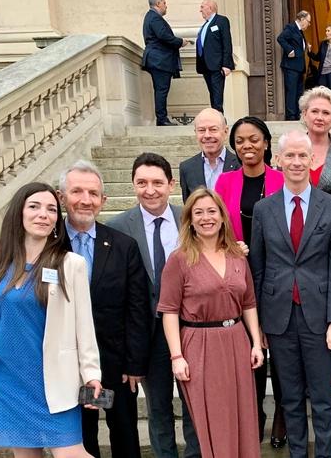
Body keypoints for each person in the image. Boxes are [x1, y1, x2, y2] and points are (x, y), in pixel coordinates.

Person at [0, 182, 102, 457]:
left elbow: (84, 327)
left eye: (51, 209)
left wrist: (91, 374)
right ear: (19, 213)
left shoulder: (70, 264)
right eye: (34, 206)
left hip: (53, 381)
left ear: (57, 220)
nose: (43, 214)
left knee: (72, 453)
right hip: (6, 381)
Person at [249, 130, 331, 458]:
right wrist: (261, 324)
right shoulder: (263, 210)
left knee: (322, 399)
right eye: (288, 156)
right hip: (279, 320)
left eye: (301, 156)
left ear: (312, 160)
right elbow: (259, 269)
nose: (295, 162)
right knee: (290, 399)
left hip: (319, 318)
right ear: (277, 160)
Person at [158, 188, 264, 458]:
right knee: (212, 421)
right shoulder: (180, 259)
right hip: (199, 346)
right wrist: (176, 356)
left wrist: (255, 343)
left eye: (212, 211)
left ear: (222, 216)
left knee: (243, 416)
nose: (206, 217)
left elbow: (249, 302)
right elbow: (169, 311)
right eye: (199, 212)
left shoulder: (237, 255)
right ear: (190, 220)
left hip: (237, 342)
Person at [108, 153, 200, 458]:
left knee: (194, 405)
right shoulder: (118, 227)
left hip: (190, 329)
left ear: (171, 184)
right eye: (142, 183)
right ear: (133, 185)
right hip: (146, 333)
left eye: (157, 183)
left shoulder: (190, 220)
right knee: (158, 407)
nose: (150, 190)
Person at [59, 161, 152, 458]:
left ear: (103, 201)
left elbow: (137, 307)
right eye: (77, 191)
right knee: (80, 436)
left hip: (115, 362)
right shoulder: (47, 244)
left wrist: (135, 363)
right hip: (64, 362)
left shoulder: (124, 245)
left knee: (124, 432)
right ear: (62, 197)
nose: (85, 199)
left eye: (93, 193)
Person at [213, 116, 287, 447]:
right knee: (249, 355)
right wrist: (231, 246)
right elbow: (214, 227)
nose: (248, 146)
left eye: (254, 139)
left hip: (277, 277)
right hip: (238, 280)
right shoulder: (225, 183)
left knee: (282, 354)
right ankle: (254, 415)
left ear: (267, 143)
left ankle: (283, 414)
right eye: (241, 140)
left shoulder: (282, 180)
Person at [141, 0, 188, 126]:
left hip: (157, 59)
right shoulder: (155, 18)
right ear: (158, 3)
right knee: (162, 89)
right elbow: (164, 36)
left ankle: (162, 118)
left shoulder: (151, 17)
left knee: (161, 89)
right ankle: (162, 119)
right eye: (164, 3)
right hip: (159, 60)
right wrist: (180, 42)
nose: (166, 6)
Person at [179, 108, 240, 202]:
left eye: (213, 129)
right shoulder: (187, 168)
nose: (207, 135)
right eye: (201, 130)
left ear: (226, 131)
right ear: (195, 132)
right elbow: (189, 207)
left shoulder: (240, 165)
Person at [195, 0, 235, 113]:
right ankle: (215, 119)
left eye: (202, 7)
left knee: (217, 97)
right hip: (205, 66)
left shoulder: (221, 21)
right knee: (212, 95)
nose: (200, 10)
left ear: (210, 8)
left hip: (217, 65)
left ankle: (219, 121)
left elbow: (227, 43)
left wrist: (226, 64)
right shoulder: (205, 25)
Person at [277, 11, 312, 120]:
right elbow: (280, 38)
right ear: (302, 19)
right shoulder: (291, 27)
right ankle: (291, 116)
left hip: (299, 67)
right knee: (291, 91)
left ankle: (297, 114)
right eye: (308, 21)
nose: (309, 24)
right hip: (291, 66)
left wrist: (306, 46)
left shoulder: (300, 31)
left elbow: (297, 44)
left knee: (298, 92)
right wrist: (289, 50)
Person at [308, 24, 331, 90]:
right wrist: (310, 51)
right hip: (322, 73)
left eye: (328, 31)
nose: (326, 33)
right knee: (322, 94)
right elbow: (318, 57)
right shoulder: (323, 44)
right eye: (326, 31)